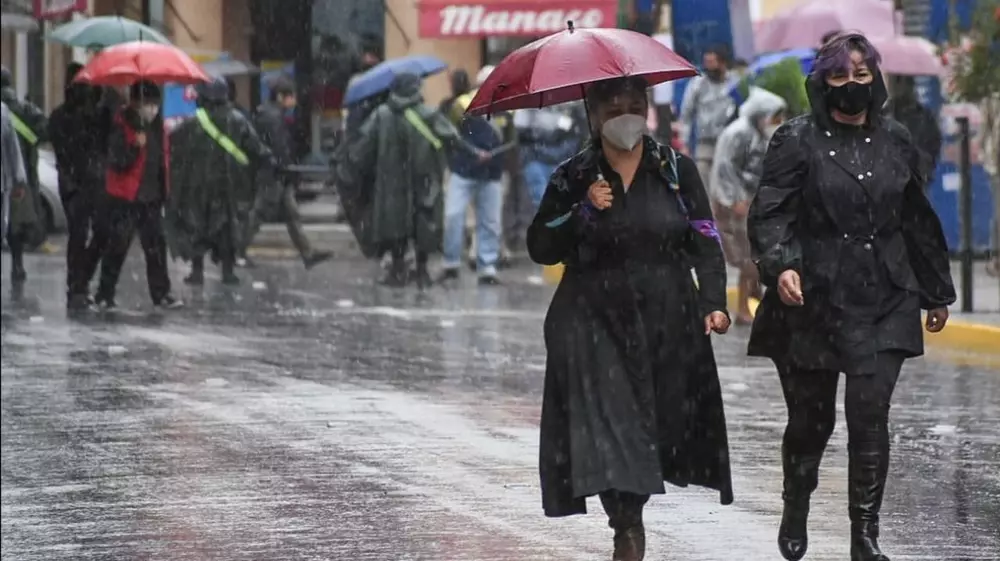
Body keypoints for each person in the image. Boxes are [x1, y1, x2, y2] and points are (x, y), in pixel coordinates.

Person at [746, 32, 956, 561]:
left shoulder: (897, 139)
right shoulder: (795, 140)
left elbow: (916, 218)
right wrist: (781, 266)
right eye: (839, 76)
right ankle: (796, 504)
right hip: (813, 300)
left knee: (870, 416)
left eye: (861, 75)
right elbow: (771, 212)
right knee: (811, 422)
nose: (851, 86)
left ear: (875, 78)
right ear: (821, 82)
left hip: (886, 294)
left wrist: (936, 291)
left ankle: (865, 535)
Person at [527, 76, 733, 561]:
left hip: (666, 316)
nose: (625, 111)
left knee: (652, 425)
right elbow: (540, 245)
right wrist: (581, 211)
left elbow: (704, 236)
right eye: (612, 102)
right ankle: (627, 525)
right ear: (591, 111)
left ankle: (629, 513)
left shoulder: (674, 169)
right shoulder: (573, 174)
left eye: (634, 101)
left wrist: (715, 302)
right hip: (592, 319)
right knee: (611, 426)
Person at [349, 72, 484, 288]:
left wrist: (352, 167)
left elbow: (362, 149)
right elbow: (452, 137)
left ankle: (398, 269)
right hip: (425, 180)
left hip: (391, 182)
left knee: (395, 225)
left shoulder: (382, 114)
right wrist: (474, 152)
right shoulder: (428, 114)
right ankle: (422, 271)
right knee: (424, 224)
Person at [167, 74, 273, 286]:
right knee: (226, 229)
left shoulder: (194, 122)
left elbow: (174, 142)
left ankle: (197, 272)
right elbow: (255, 147)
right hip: (228, 186)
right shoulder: (237, 119)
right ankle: (228, 271)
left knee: (197, 226)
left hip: (199, 186)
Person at [95, 81, 182, 310]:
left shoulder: (157, 127)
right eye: (148, 103)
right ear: (135, 102)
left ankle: (161, 293)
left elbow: (162, 161)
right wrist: (134, 146)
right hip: (127, 197)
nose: (151, 109)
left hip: (151, 197)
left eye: (155, 103)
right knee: (117, 247)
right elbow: (117, 162)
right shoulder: (122, 124)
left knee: (155, 247)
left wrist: (166, 191)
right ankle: (105, 293)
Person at [711, 87, 787, 324]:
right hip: (735, 203)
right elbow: (725, 169)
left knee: (753, 254)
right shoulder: (739, 133)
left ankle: (754, 297)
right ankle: (743, 308)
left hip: (750, 202)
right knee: (747, 257)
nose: (777, 122)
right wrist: (735, 199)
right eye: (775, 117)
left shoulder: (756, 133)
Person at [249, 76, 333, 269]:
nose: (294, 101)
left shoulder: (274, 115)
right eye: (291, 97)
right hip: (274, 174)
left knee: (292, 214)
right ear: (280, 97)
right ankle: (236, 250)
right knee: (259, 213)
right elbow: (279, 148)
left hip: (279, 174)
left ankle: (307, 253)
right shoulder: (272, 117)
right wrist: (285, 167)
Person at [48, 63, 107, 310]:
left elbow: (106, 142)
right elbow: (62, 149)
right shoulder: (62, 116)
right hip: (74, 183)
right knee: (78, 234)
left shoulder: (99, 114)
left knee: (102, 232)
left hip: (96, 181)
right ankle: (77, 286)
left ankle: (82, 279)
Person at [440, 66, 504, 285]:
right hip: (463, 171)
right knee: (453, 216)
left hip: (492, 173)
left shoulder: (507, 107)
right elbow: (449, 134)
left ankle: (487, 267)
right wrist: (471, 153)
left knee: (490, 222)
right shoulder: (462, 104)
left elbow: (511, 137)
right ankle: (450, 264)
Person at [0, 65, 48, 285]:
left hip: (4, 174)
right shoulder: (25, 108)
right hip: (23, 174)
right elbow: (45, 131)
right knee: (17, 222)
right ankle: (17, 264)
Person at [679, 46, 739, 190]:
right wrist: (684, 144)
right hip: (705, 142)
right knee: (703, 179)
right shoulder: (698, 84)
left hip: (728, 141)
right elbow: (686, 114)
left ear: (723, 63)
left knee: (726, 182)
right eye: (706, 62)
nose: (708, 66)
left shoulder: (734, 82)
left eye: (712, 62)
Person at [514, 101, 588, 210]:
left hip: (560, 159)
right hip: (535, 158)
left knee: (561, 200)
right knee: (541, 199)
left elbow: (574, 134)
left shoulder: (568, 106)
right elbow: (521, 131)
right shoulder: (528, 109)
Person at [885, 75, 942, 183]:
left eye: (898, 81)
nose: (894, 86)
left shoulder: (924, 116)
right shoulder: (884, 113)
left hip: (915, 178)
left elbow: (934, 146)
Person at [1, 102, 27, 256]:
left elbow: (12, 146)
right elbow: (13, 147)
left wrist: (18, 177)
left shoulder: (3, 112)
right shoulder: (3, 111)